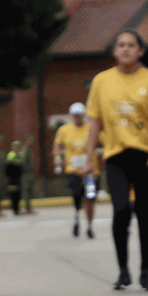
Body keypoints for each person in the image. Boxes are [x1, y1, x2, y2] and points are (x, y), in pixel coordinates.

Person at [83, 28, 148, 292]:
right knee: (120, 211)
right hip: (115, 157)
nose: (125, 49)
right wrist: (89, 158)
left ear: (140, 51)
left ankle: (145, 272)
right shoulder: (101, 81)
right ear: (114, 51)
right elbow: (94, 122)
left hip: (144, 156)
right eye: (120, 45)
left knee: (144, 214)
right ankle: (123, 270)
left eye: (131, 45)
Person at [54, 102, 98, 238]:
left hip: (90, 171)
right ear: (71, 116)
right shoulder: (64, 130)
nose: (77, 117)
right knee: (77, 195)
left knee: (90, 198)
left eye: (80, 115)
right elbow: (57, 145)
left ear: (84, 115)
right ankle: (77, 217)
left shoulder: (91, 128)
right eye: (75, 115)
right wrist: (58, 158)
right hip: (73, 170)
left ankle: (89, 225)